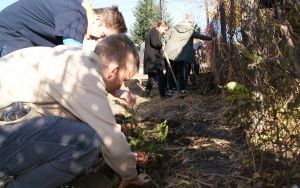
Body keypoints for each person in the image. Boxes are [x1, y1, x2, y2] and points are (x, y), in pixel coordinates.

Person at [0, 34, 150, 188]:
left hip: (9, 127)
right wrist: (130, 174)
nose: (122, 86)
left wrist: (112, 89)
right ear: (114, 70)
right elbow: (110, 136)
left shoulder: (73, 58)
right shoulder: (85, 75)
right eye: (124, 80)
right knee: (86, 141)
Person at [0, 0, 127, 57]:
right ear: (98, 20)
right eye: (103, 35)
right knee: (18, 79)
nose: (100, 40)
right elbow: (75, 59)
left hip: (21, 34)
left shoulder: (77, 13)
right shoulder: (77, 15)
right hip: (10, 31)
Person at [164, 14, 212, 94]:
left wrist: (171, 42)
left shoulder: (174, 28)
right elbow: (200, 36)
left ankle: (172, 88)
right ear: (190, 23)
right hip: (182, 54)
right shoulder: (190, 30)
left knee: (172, 70)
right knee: (182, 71)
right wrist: (211, 38)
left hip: (171, 52)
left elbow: (165, 36)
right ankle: (182, 89)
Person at [143, 21, 169, 98]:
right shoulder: (154, 31)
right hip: (154, 60)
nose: (164, 32)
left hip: (151, 59)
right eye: (164, 30)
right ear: (161, 26)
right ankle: (163, 95)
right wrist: (162, 44)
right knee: (161, 77)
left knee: (152, 78)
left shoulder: (152, 31)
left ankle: (147, 93)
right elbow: (155, 43)